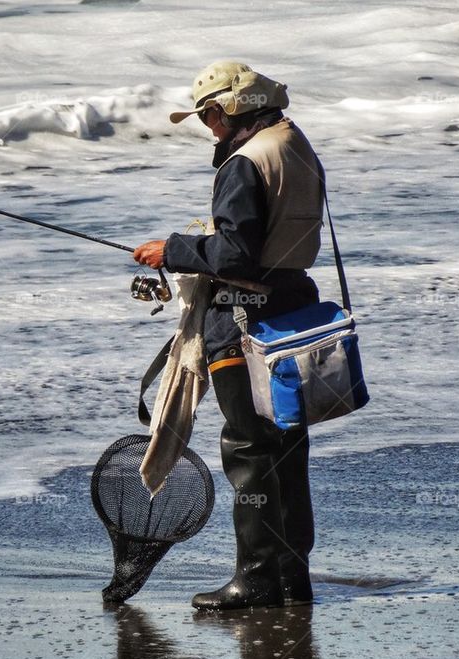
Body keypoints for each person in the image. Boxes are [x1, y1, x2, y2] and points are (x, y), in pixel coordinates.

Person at [133, 61, 324, 611]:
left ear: (234, 107)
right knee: (287, 446)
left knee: (249, 449)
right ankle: (292, 577)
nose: (209, 127)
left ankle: (256, 579)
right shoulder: (294, 143)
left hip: (244, 321)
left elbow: (236, 255)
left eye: (211, 115)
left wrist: (171, 249)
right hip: (294, 308)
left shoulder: (244, 163)